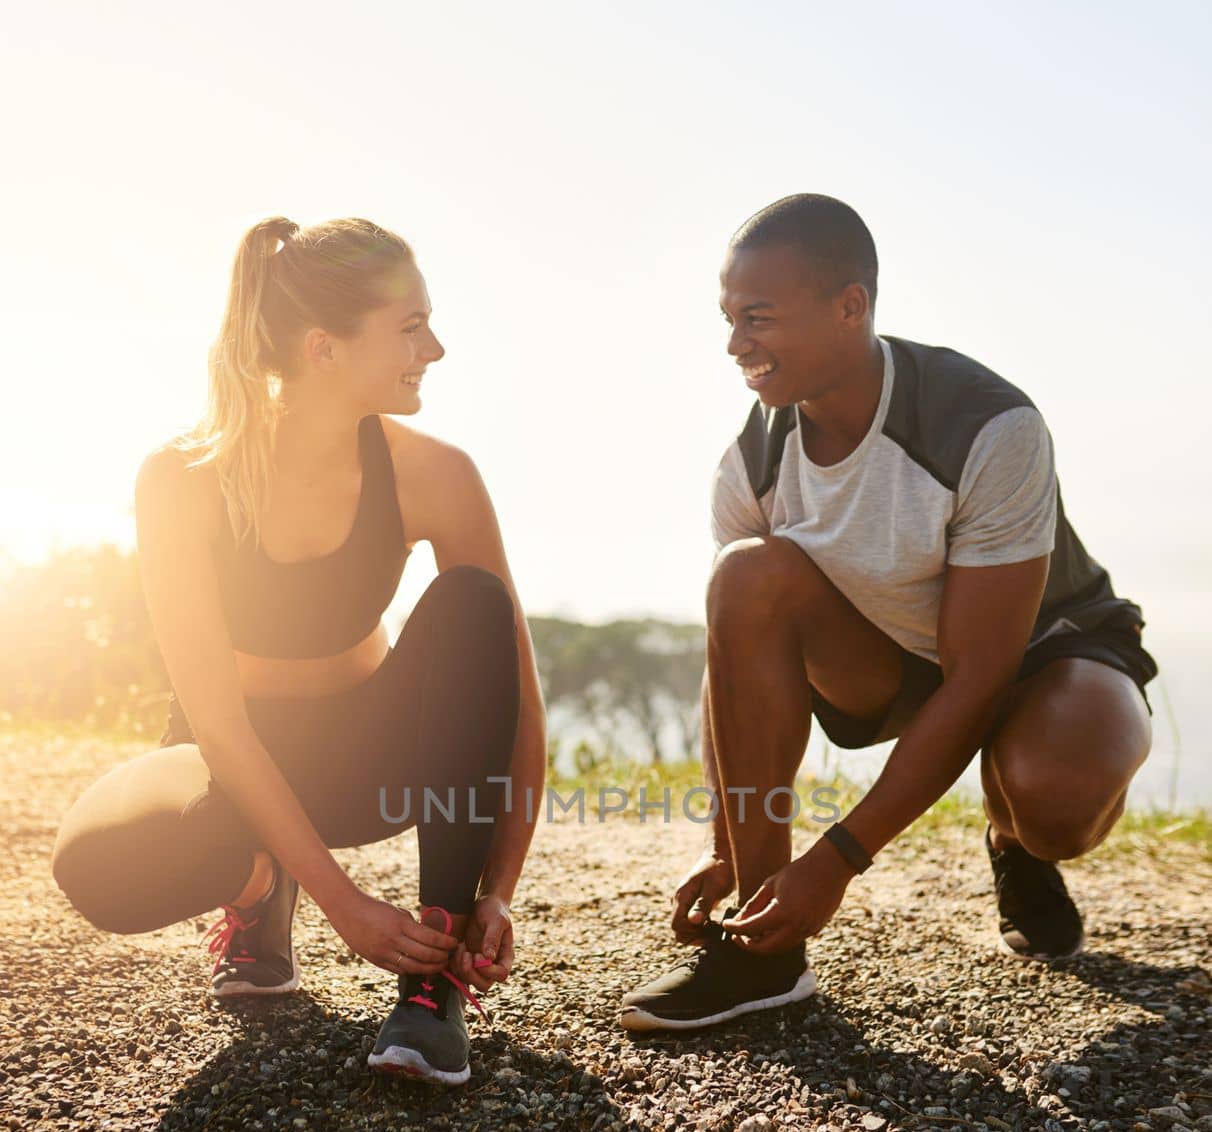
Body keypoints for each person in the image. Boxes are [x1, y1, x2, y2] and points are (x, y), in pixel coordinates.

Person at [620, 193, 1157, 1033]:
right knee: (745, 578)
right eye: (728, 319)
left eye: (758, 318)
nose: (736, 346)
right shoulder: (750, 466)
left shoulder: (988, 424)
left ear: (850, 306)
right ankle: (760, 953)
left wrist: (836, 859)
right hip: (892, 664)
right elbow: (731, 658)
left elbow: (982, 676)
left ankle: (1014, 842)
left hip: (1045, 651)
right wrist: (729, 847)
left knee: (1053, 800)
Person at [51, 216, 547, 1085]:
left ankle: (434, 984)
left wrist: (494, 890)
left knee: (476, 605)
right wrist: (342, 904)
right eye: (410, 327)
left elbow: (514, 695)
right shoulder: (181, 479)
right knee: (94, 866)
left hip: (366, 765)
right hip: (232, 762)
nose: (435, 347)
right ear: (324, 348)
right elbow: (214, 719)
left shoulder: (438, 474)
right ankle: (256, 888)